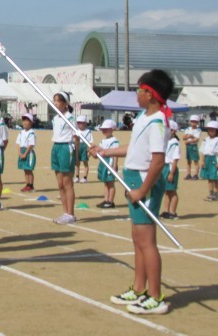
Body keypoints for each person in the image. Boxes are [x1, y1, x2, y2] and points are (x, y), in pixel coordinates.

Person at [90, 69, 173, 315]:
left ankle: (155, 296)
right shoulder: (143, 117)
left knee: (147, 241)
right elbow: (134, 147)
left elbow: (158, 161)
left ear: (150, 94)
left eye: (140, 90)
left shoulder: (158, 122)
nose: (136, 94)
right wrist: (104, 152)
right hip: (134, 177)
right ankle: (138, 289)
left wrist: (142, 190)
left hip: (145, 181)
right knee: (138, 239)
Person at [51, 91, 79, 225]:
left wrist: (77, 156)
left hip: (66, 148)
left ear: (65, 103)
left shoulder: (70, 118)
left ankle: (70, 213)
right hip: (56, 147)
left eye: (58, 101)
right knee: (60, 184)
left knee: (67, 183)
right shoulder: (55, 118)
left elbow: (76, 137)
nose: (55, 103)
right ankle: (65, 212)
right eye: (54, 100)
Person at [95, 119, 119, 209]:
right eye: (103, 129)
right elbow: (99, 150)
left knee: (110, 182)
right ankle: (106, 199)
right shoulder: (103, 141)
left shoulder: (114, 141)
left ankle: (110, 201)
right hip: (103, 162)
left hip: (110, 162)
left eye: (106, 129)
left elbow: (115, 153)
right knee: (105, 182)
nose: (104, 131)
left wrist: (115, 165)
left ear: (112, 129)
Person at [161, 120, 181, 219]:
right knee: (166, 191)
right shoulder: (166, 142)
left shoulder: (175, 143)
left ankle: (172, 212)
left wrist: (171, 173)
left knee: (172, 191)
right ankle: (166, 210)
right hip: (164, 167)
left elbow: (175, 159)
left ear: (173, 131)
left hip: (170, 168)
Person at [16, 113, 36, 192]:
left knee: (29, 169)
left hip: (29, 153)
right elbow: (18, 143)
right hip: (22, 151)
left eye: (27, 121)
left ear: (31, 122)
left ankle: (31, 185)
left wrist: (25, 154)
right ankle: (27, 184)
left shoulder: (31, 133)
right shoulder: (21, 132)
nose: (24, 122)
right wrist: (19, 153)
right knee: (25, 169)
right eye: (24, 120)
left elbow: (31, 145)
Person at [199, 120, 218, 201]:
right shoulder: (206, 139)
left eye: (213, 129)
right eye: (209, 129)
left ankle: (216, 193)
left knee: (216, 178)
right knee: (209, 178)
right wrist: (202, 161)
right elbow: (203, 151)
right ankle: (211, 193)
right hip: (207, 159)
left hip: (214, 159)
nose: (211, 131)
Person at [74, 115, 93, 183]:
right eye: (78, 123)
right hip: (77, 146)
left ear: (85, 123)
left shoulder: (88, 131)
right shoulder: (75, 131)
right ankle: (77, 176)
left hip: (84, 147)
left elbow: (90, 142)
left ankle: (85, 177)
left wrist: (89, 152)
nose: (80, 124)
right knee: (77, 163)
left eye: (81, 123)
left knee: (85, 163)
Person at [183, 115, 201, 180]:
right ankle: (188, 174)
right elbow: (183, 137)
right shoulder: (188, 129)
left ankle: (196, 174)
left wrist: (189, 140)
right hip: (188, 146)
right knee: (188, 161)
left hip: (193, 146)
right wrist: (189, 136)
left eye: (195, 122)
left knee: (195, 161)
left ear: (197, 123)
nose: (193, 123)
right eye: (192, 122)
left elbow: (197, 139)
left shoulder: (198, 130)